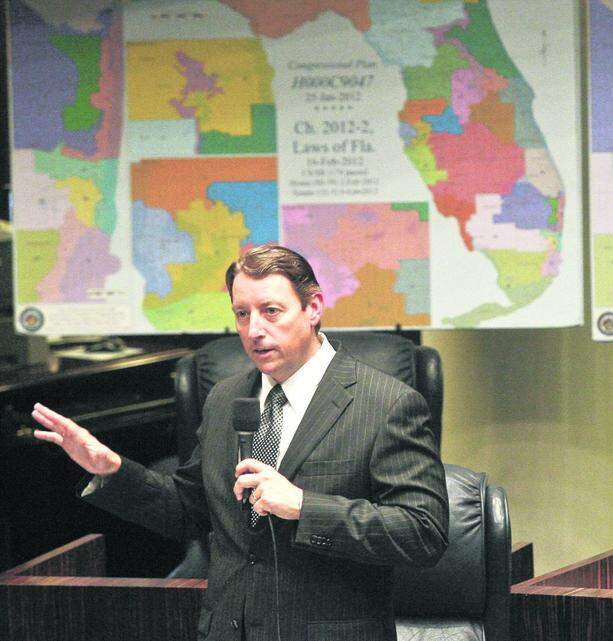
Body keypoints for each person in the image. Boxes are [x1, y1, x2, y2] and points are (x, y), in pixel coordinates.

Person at [32, 244, 449, 641]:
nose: (254, 330)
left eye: (271, 311)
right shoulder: (226, 398)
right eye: (242, 314)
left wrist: (305, 506)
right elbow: (191, 510)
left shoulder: (386, 403)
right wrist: (112, 469)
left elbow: (423, 533)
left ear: (314, 308)